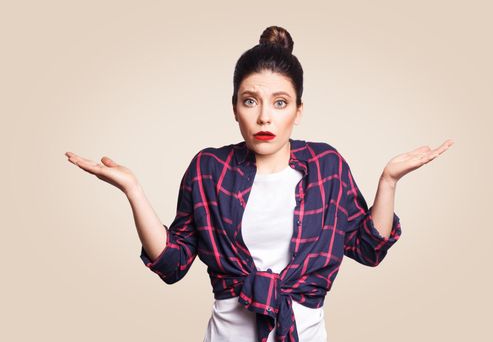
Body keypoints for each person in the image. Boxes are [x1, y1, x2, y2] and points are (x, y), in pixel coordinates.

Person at [65, 25, 454, 342]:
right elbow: (172, 262)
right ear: (234, 107)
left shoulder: (326, 166)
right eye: (250, 101)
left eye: (280, 103)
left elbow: (369, 249)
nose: (265, 116)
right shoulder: (209, 169)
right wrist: (132, 189)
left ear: (298, 111)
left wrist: (388, 181)